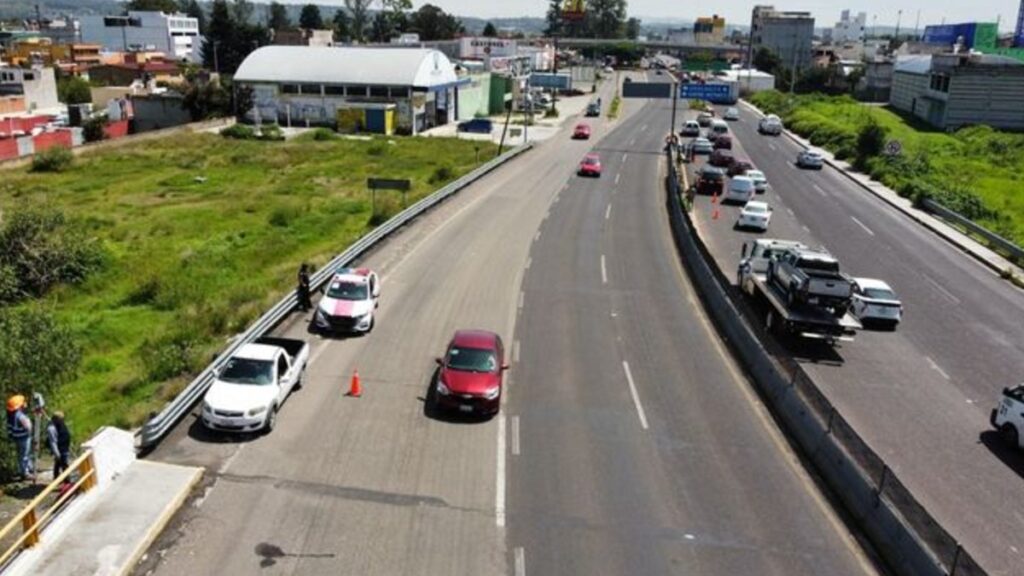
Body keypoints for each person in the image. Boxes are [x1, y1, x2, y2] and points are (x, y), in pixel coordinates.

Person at [6, 395, 34, 481]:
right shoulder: (20, 416)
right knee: (25, 455)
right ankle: (25, 473)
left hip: (17, 438)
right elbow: (28, 427)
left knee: (21, 455)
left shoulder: (11, 416)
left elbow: (9, 429)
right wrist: (30, 432)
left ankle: (28, 468)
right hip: (24, 438)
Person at [46, 411, 71, 482]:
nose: (62, 420)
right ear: (56, 419)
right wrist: (57, 453)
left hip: (65, 447)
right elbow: (53, 442)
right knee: (64, 465)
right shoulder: (52, 428)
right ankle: (67, 481)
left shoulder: (60, 424)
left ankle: (56, 478)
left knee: (58, 463)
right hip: (60, 449)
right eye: (61, 419)